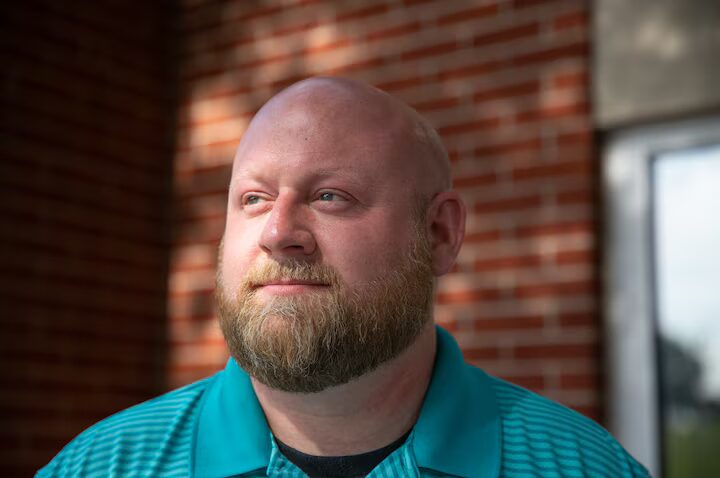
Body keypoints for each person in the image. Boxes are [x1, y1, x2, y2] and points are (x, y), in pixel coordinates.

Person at [37, 77, 649, 477]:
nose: (278, 232)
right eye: (253, 200)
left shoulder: (583, 466)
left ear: (439, 234)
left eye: (330, 196)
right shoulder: (100, 466)